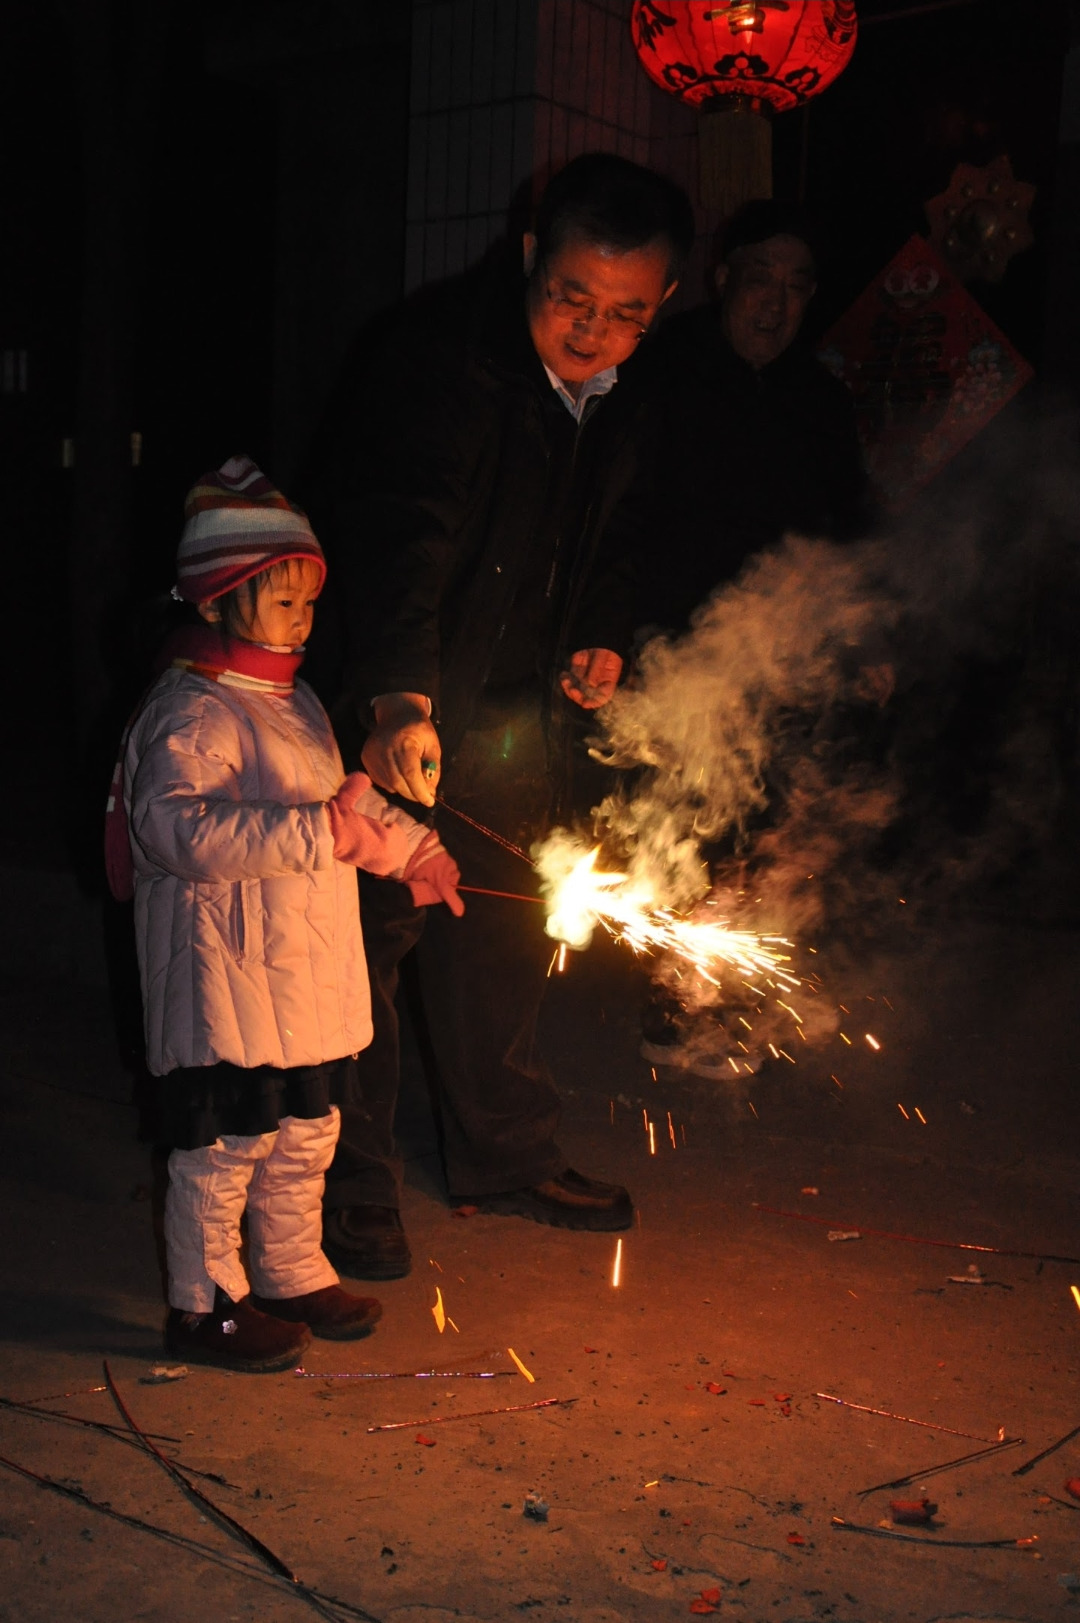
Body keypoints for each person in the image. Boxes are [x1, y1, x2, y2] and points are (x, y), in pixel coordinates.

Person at [309, 154, 696, 1278]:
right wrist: (394, 697)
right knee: (368, 948)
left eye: (626, 314)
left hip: (522, 711)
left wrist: (604, 636)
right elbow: (401, 529)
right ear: (530, 253)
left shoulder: (634, 389)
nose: (593, 332)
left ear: (661, 303)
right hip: (409, 696)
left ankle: (504, 1152)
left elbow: (619, 540)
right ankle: (350, 1180)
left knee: (509, 928)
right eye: (573, 298)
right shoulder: (440, 357)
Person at [107, 456, 460, 1371]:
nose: (303, 618)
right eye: (281, 599)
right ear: (221, 601)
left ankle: (292, 1268)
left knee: (307, 1135)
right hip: (223, 984)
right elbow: (173, 831)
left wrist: (414, 852)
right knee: (226, 1149)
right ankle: (205, 1302)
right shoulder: (191, 708)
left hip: (302, 981)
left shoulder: (296, 699)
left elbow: (343, 804)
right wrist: (316, 835)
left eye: (309, 599)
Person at [625, 198, 870, 635]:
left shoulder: (823, 399)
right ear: (723, 280)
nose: (775, 304)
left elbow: (849, 524)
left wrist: (863, 633)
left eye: (794, 287)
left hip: (783, 647)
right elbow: (621, 517)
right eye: (760, 280)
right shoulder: (660, 370)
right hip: (665, 640)